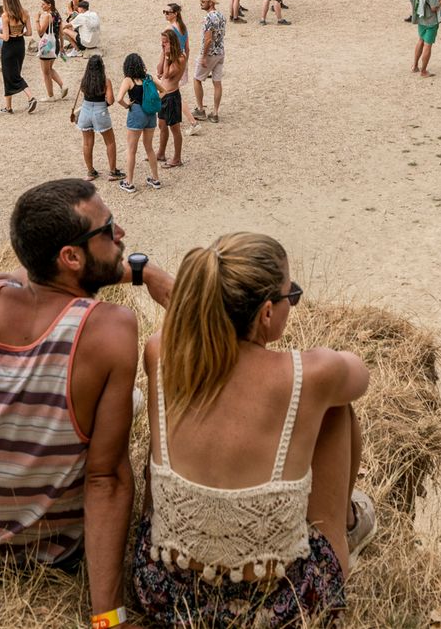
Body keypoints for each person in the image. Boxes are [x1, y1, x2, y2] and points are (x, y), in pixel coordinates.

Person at [0, 180, 174, 624]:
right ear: (71, 257)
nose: (121, 233)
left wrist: (122, 268)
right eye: (108, 229)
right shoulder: (112, 328)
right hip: (51, 549)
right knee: (123, 401)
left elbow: (24, 276)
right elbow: (106, 480)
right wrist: (108, 621)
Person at [131, 233, 375, 625]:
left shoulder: (160, 351)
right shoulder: (311, 375)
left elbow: (197, 338)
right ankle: (345, 530)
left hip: (167, 594)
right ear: (266, 313)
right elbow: (360, 377)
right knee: (335, 409)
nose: (292, 302)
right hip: (273, 610)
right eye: (291, 295)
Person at [70, 55, 121, 184]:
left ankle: (91, 171)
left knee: (87, 143)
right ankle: (113, 171)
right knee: (110, 142)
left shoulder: (84, 80)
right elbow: (111, 100)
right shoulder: (105, 81)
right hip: (100, 111)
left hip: (85, 111)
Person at [118, 52, 161, 191]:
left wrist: (127, 106)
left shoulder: (128, 80)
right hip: (150, 113)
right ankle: (155, 179)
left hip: (136, 113)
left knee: (132, 150)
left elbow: (119, 99)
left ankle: (129, 182)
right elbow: (164, 90)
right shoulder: (149, 78)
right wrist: (154, 101)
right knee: (149, 147)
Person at [157, 5, 187, 170]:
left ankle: (177, 158)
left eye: (165, 42)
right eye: (162, 43)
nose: (163, 45)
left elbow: (167, 74)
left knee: (175, 128)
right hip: (163, 95)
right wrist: (163, 53)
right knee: (162, 125)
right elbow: (159, 70)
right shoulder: (167, 53)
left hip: (172, 96)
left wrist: (168, 56)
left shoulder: (180, 58)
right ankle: (161, 152)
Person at [192, 0, 225, 123]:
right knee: (217, 82)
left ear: (210, 3)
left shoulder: (208, 18)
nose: (201, 3)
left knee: (197, 79)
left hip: (210, 53)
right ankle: (215, 112)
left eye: (203, 1)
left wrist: (204, 56)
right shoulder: (221, 15)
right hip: (220, 52)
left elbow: (208, 40)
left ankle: (200, 109)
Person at [0, 0, 34, 113]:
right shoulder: (25, 13)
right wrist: (20, 33)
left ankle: (31, 97)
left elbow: (6, 37)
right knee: (13, 74)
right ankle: (8, 107)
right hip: (20, 45)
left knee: (10, 75)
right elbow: (29, 32)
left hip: (9, 47)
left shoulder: (5, 15)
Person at [36, 0, 70, 101]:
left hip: (48, 44)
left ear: (49, 5)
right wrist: (62, 46)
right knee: (49, 69)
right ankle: (62, 85)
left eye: (43, 4)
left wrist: (37, 20)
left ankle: (50, 96)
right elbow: (61, 33)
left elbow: (40, 32)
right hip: (55, 43)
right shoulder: (57, 14)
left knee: (45, 72)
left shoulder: (47, 16)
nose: (41, 6)